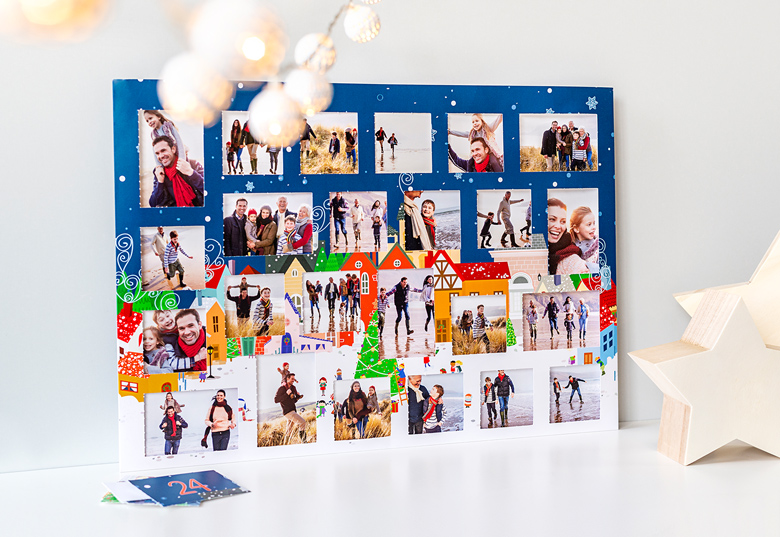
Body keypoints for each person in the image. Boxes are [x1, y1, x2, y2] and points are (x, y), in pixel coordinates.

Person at [148, 135, 205, 208]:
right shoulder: (159, 172)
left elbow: (210, 191)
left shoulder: (193, 164)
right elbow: (153, 203)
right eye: (157, 153)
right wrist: (160, 182)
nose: (161, 156)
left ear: (173, 149)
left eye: (163, 150)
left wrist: (191, 173)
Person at [548, 198, 588, 274]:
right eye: (552, 219)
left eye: (563, 221)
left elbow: (586, 283)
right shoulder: (530, 252)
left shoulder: (571, 260)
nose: (558, 226)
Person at [274, 373, 307, 442]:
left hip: (292, 410)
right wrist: (286, 394)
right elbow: (276, 400)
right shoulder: (282, 388)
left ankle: (285, 444)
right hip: (288, 411)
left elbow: (293, 401)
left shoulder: (292, 388)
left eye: (294, 379)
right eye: (292, 379)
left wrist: (297, 398)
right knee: (302, 422)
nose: (293, 380)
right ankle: (304, 442)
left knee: (289, 430)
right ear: (287, 379)